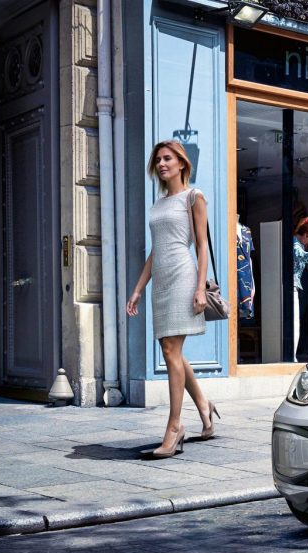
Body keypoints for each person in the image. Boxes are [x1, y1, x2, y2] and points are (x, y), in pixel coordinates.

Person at [126, 140, 220, 458]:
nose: (162, 163)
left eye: (168, 158)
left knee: (170, 350)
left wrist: (199, 287)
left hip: (183, 276)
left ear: (181, 162)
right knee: (174, 352)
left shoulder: (194, 197)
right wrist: (139, 289)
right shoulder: (159, 204)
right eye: (158, 159)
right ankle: (205, 408)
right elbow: (155, 252)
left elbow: (202, 246)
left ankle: (175, 426)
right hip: (161, 282)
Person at [293, 218, 308, 356]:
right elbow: (301, 257)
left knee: (298, 319)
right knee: (295, 320)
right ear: (306, 235)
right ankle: (293, 354)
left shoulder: (298, 244)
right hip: (291, 286)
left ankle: (295, 353)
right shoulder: (295, 245)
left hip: (295, 285)